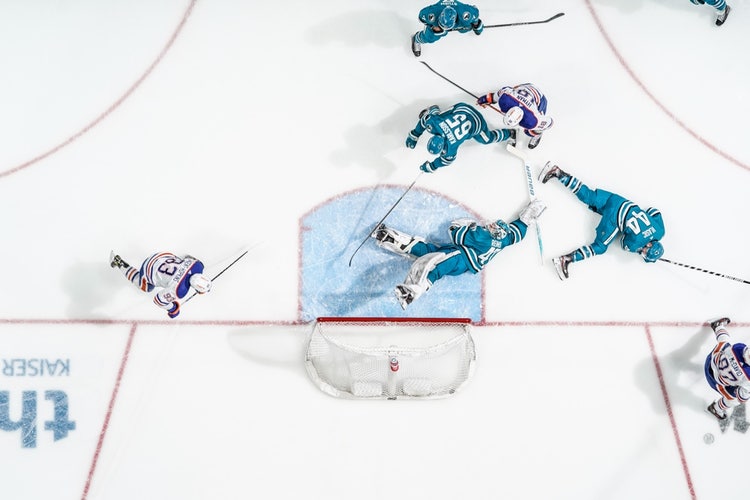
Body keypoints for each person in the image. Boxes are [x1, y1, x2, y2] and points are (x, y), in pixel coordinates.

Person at [371, 199, 546, 309]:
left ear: (493, 232)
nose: (490, 225)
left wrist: (469, 225)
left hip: (462, 258)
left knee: (435, 266)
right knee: (427, 251)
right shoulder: (504, 239)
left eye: (492, 227)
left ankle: (412, 292)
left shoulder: (482, 236)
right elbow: (518, 232)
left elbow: (454, 231)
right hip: (463, 258)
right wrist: (527, 218)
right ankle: (388, 237)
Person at [538, 162, 665, 280]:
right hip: (614, 219)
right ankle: (566, 259)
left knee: (589, 196)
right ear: (649, 245)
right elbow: (623, 243)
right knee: (600, 247)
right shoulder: (636, 244)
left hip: (621, 201)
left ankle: (558, 172)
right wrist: (638, 248)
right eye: (645, 252)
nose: (642, 253)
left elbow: (654, 211)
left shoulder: (660, 232)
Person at [406, 103, 515, 174]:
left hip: (476, 121)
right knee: (438, 117)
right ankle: (433, 110)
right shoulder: (434, 124)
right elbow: (424, 120)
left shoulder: (450, 147)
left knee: (487, 139)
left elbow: (446, 161)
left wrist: (433, 166)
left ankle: (510, 133)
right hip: (462, 108)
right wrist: (415, 134)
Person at [109, 251, 212, 318]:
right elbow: (158, 300)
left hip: (160, 256)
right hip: (148, 269)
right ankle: (120, 263)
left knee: (180, 259)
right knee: (146, 287)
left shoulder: (199, 265)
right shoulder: (179, 290)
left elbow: (187, 256)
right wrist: (172, 309)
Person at [476, 83, 553, 149]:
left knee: (529, 131)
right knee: (514, 90)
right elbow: (501, 92)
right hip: (528, 87)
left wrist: (538, 127)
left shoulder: (532, 121)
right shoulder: (505, 100)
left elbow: (550, 123)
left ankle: (538, 132)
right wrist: (486, 99)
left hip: (540, 98)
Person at [704, 317, 750, 420]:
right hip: (714, 381)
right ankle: (716, 408)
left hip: (711, 360)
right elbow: (742, 397)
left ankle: (718, 326)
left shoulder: (740, 347)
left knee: (725, 344)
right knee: (734, 399)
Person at [411, 0, 483, 57]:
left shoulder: (467, 13)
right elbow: (421, 18)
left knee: (467, 27)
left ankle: (467, 27)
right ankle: (417, 39)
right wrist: (432, 26)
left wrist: (477, 27)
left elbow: (475, 15)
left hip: (461, 18)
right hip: (437, 22)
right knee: (430, 37)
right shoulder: (431, 13)